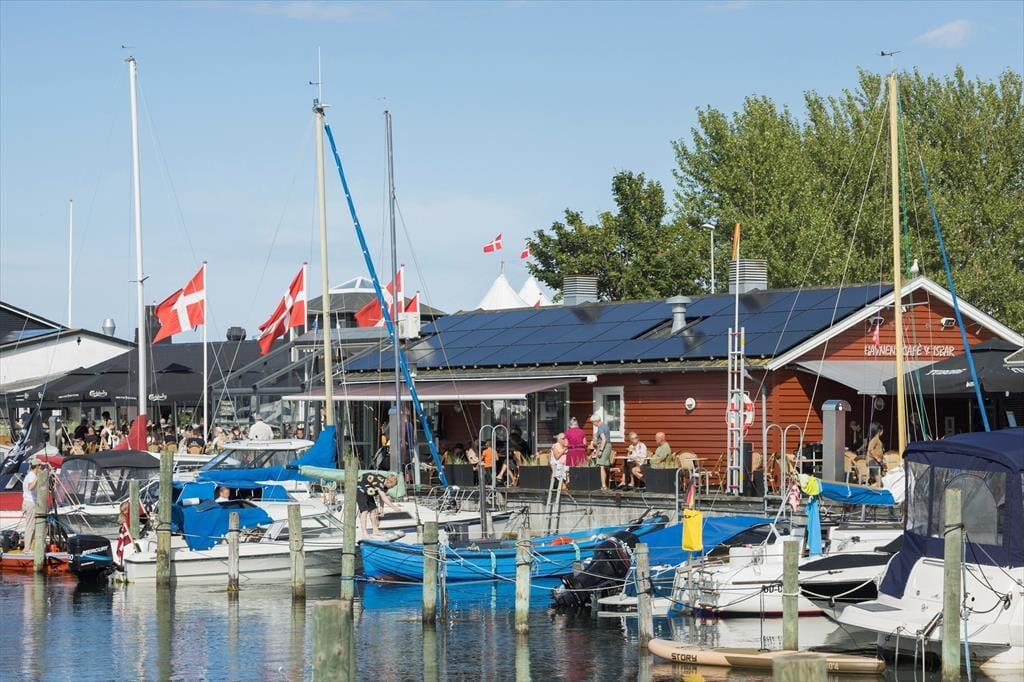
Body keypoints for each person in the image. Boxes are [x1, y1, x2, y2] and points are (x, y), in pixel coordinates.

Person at [357, 472, 401, 536]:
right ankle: (364, 532)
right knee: (364, 511)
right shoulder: (379, 482)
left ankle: (375, 531)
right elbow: (384, 497)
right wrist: (394, 507)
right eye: (392, 486)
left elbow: (381, 497)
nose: (391, 488)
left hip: (368, 490)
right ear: (389, 482)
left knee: (374, 510)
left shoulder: (385, 485)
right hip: (360, 489)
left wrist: (381, 509)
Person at [20, 458, 44, 551]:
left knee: (34, 525)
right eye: (40, 466)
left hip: (29, 502)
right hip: (30, 503)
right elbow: (30, 487)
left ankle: (31, 546)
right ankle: (27, 548)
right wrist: (38, 477)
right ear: (37, 467)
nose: (41, 468)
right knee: (30, 526)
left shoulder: (30, 475)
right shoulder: (32, 476)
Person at [592, 411, 613, 490]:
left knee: (601, 466)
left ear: (596, 421)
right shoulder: (605, 425)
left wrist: (600, 451)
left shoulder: (600, 427)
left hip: (604, 447)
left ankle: (603, 486)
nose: (593, 424)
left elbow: (603, 439)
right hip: (608, 446)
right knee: (604, 466)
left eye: (593, 422)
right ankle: (605, 485)